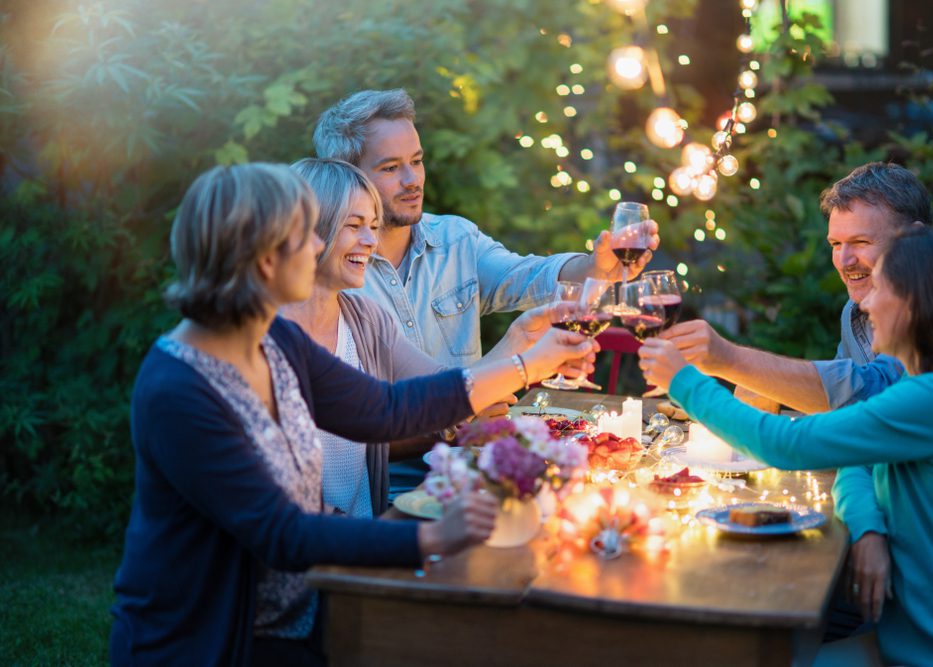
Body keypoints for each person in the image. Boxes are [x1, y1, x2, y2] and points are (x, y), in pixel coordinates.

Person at [110, 163, 597, 666]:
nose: (318, 246)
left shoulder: (274, 341)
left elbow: (386, 409)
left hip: (307, 610)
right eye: (303, 236)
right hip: (209, 642)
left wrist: (528, 362)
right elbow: (284, 532)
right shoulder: (179, 390)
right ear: (263, 260)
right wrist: (430, 536)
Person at [638, 226, 933, 667]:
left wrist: (683, 381)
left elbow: (785, 443)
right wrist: (868, 526)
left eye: (880, 289)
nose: (865, 304)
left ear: (915, 305)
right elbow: (855, 456)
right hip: (906, 639)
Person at [658, 162, 931, 624]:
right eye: (835, 245)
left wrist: (709, 366)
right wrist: (865, 528)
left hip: (924, 587)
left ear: (915, 240)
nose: (845, 261)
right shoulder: (858, 313)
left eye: (861, 243)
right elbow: (858, 442)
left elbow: (858, 397)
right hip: (882, 547)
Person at [281, 157, 570, 519]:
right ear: (309, 232)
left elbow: (442, 390)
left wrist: (520, 340)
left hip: (363, 536)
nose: (371, 241)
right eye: (354, 226)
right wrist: (526, 365)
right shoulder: (269, 341)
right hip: (321, 550)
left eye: (373, 226)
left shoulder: (364, 318)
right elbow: (393, 411)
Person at [311, 87, 661, 367]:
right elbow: (363, 416)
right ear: (349, 175)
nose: (412, 180)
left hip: (470, 452)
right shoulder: (331, 270)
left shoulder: (455, 240)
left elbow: (528, 276)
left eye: (416, 162)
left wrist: (595, 267)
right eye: (390, 168)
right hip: (392, 456)